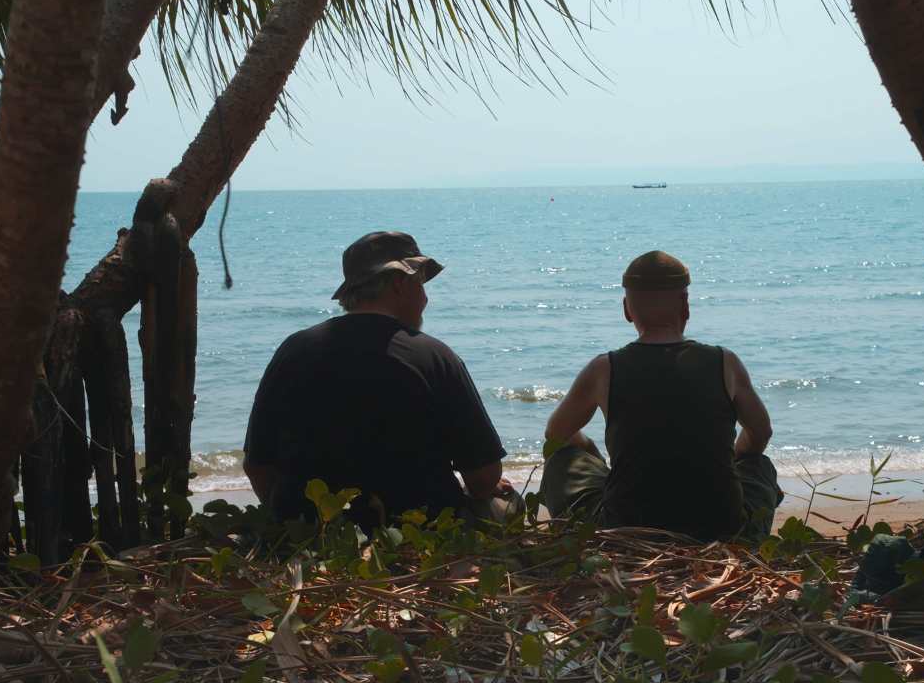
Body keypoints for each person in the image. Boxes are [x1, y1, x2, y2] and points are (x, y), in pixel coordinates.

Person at [243, 231, 519, 530]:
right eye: (421, 285)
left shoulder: (293, 350)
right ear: (400, 283)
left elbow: (257, 466)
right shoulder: (434, 357)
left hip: (310, 536)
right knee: (508, 502)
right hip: (418, 538)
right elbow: (484, 478)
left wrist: (294, 521)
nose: (425, 297)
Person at [540, 250, 783, 542]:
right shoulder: (725, 363)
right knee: (758, 464)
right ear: (685, 305)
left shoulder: (603, 368)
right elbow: (761, 433)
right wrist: (735, 458)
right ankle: (748, 539)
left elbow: (556, 435)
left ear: (627, 310)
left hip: (626, 529)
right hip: (720, 531)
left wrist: (590, 451)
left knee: (561, 460)